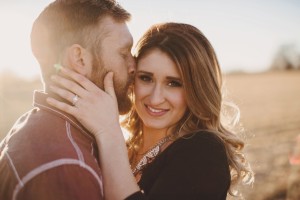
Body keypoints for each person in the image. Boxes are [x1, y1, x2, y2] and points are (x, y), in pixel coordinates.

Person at [47, 22, 254, 199]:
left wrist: (109, 134)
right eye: (146, 78)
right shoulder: (124, 147)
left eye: (174, 83)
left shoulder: (203, 150)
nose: (155, 98)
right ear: (132, 78)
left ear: (196, 88)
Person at [0, 0, 135, 200]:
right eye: (124, 54)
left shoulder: (35, 126)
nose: (134, 65)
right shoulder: (67, 166)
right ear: (80, 59)